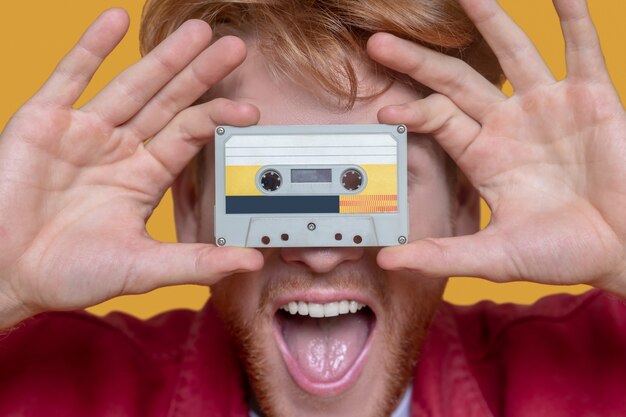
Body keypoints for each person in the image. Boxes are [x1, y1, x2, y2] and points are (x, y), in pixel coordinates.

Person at [0, 0, 624, 416]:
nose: (321, 250)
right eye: (265, 181)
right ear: (191, 211)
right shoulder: (46, 380)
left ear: (466, 204)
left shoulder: (597, 362)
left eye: (368, 179)